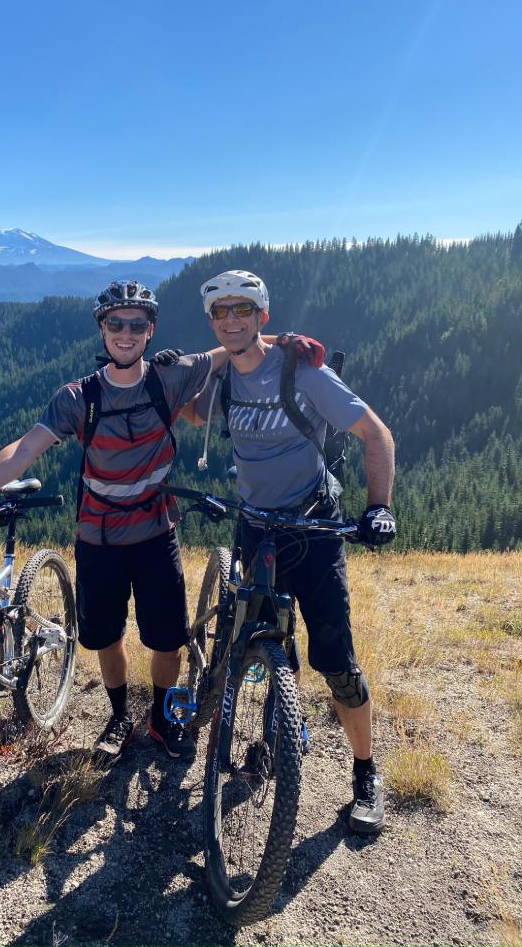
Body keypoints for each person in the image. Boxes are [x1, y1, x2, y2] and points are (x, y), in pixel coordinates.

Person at [0, 280, 228, 764]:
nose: (126, 333)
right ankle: (120, 717)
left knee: (168, 640)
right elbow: (24, 449)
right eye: (116, 323)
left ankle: (161, 718)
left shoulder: (170, 378)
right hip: (99, 540)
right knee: (106, 637)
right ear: (102, 329)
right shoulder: (79, 397)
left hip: (157, 533)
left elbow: (231, 350)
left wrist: (286, 344)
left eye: (136, 324)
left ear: (151, 331)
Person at [186, 269, 396, 834]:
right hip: (256, 527)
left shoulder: (303, 371)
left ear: (263, 315)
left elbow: (377, 434)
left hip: (313, 526)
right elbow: (193, 413)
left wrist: (379, 506)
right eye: (221, 312)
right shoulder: (223, 377)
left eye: (243, 310)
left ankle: (366, 774)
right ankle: (280, 719)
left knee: (338, 662)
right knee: (261, 640)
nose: (232, 320)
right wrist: (169, 373)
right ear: (212, 321)